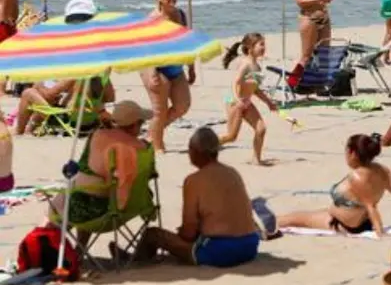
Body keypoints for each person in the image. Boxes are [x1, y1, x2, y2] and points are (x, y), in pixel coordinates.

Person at [131, 127, 260, 267]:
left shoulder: (193, 180)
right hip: (250, 245)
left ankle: (134, 262)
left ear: (196, 152)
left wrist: (181, 235)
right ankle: (137, 258)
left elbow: (189, 231)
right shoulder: (232, 172)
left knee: (153, 235)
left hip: (222, 250)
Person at [252, 133, 391, 237]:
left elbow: (370, 206)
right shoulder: (382, 170)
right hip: (356, 220)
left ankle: (250, 229)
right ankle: (256, 223)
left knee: (291, 219)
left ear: (352, 153)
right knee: (296, 216)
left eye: (346, 150)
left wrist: (380, 234)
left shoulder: (358, 176)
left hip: (344, 225)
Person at [47, 101, 152, 231]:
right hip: (129, 207)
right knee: (80, 193)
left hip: (98, 210)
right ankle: (77, 248)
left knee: (63, 201)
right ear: (136, 124)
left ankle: (52, 245)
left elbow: (86, 168)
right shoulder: (144, 148)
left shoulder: (98, 135)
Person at [140, 0, 195, 153]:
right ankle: (157, 146)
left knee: (182, 106)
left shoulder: (181, 15)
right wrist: (152, 73)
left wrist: (191, 66)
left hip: (176, 66)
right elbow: (146, 48)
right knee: (160, 110)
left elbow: (187, 41)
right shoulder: (153, 19)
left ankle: (152, 133)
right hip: (155, 67)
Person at [220, 33, 280, 166]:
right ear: (250, 47)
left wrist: (269, 102)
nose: (264, 47)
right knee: (231, 137)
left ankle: (256, 159)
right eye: (261, 44)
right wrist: (237, 100)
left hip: (246, 101)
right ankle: (205, 147)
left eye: (264, 44)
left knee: (261, 129)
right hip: (234, 102)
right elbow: (236, 82)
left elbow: (256, 89)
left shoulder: (257, 66)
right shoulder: (246, 64)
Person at [14, 76, 115, 135]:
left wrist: (38, 87)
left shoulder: (75, 74)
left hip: (70, 123)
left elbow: (50, 94)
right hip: (91, 123)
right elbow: (110, 98)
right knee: (54, 102)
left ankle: (19, 130)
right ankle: (30, 128)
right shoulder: (103, 77)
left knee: (28, 93)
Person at [289, 0, 334, 88]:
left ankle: (322, 84)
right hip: (309, 18)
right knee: (306, 56)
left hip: (324, 17)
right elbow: (300, 2)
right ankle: (292, 83)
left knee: (324, 52)